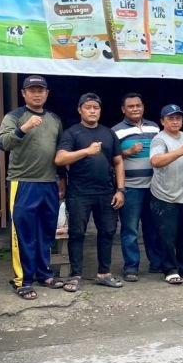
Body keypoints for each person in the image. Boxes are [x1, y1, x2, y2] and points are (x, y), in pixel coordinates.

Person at [0, 75, 65, 300]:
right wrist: (23, 129)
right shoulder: (15, 116)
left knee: (46, 232)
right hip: (23, 181)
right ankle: (22, 281)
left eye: (41, 90)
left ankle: (44, 274)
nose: (37, 94)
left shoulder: (54, 119)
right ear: (23, 93)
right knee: (23, 233)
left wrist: (61, 179)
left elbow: (59, 153)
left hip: (49, 182)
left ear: (47, 93)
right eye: (32, 90)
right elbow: (3, 143)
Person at [55, 93, 125, 291]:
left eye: (96, 107)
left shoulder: (108, 133)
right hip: (79, 193)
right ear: (80, 110)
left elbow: (118, 162)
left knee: (108, 232)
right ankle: (75, 275)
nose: (92, 111)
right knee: (77, 233)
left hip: (106, 191)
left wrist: (120, 190)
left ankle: (104, 273)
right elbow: (60, 159)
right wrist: (86, 151)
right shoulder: (72, 133)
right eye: (88, 107)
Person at [112, 93, 162, 281]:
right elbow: (112, 160)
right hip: (131, 187)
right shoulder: (116, 131)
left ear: (143, 107)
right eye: (131, 106)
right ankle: (131, 267)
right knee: (130, 230)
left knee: (154, 228)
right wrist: (128, 152)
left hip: (154, 187)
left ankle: (156, 263)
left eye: (138, 105)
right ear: (123, 110)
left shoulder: (154, 127)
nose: (135, 109)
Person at [150, 104, 183, 285]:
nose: (175, 121)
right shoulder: (159, 139)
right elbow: (155, 161)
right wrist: (179, 151)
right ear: (162, 121)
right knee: (167, 236)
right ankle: (170, 269)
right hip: (165, 196)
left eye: (178, 118)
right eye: (170, 118)